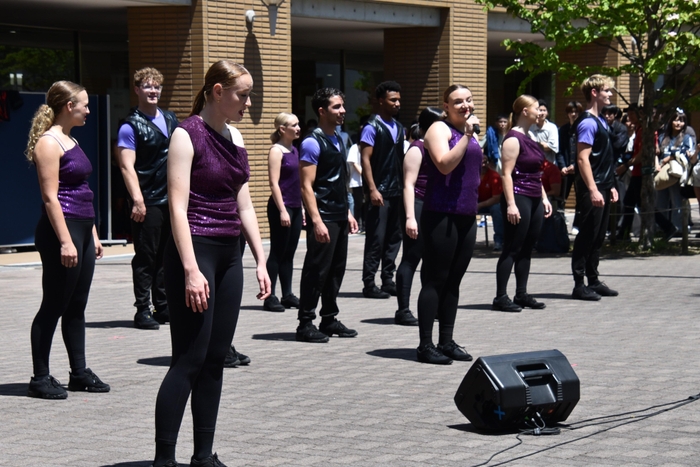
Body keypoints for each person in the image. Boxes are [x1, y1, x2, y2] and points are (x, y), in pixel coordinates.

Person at [153, 60, 270, 467]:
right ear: (217, 92)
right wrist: (189, 268)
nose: (248, 102)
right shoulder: (187, 135)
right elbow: (178, 209)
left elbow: (244, 203)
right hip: (195, 250)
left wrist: (260, 258)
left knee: (216, 358)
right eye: (243, 94)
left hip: (228, 254)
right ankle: (164, 459)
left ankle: (203, 456)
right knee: (189, 358)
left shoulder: (235, 135)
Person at [25, 80, 110, 399]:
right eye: (84, 104)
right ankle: (40, 377)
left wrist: (93, 235)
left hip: (81, 229)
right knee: (54, 304)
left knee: (77, 304)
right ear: (68, 106)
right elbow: (50, 198)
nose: (89, 110)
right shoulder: (49, 143)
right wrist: (65, 241)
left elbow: (81, 192)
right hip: (61, 231)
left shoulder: (69, 139)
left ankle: (79, 372)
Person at [416, 84, 482, 365]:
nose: (465, 106)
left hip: (466, 215)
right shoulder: (439, 130)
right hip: (441, 213)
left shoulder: (471, 134)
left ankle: (446, 340)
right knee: (435, 279)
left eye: (468, 100)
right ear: (445, 106)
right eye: (458, 102)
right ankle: (425, 344)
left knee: (454, 281)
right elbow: (444, 164)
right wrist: (467, 136)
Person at [117, 67, 179, 330]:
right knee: (146, 256)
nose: (153, 91)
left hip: (171, 199)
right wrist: (138, 200)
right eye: (147, 86)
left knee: (167, 255)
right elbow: (126, 167)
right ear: (137, 90)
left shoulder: (171, 118)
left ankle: (162, 306)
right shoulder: (130, 126)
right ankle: (143, 309)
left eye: (157, 86)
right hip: (147, 200)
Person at [296, 87, 359, 343]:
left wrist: (348, 212)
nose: (342, 110)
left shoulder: (339, 138)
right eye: (336, 107)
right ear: (322, 111)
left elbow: (337, 181)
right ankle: (305, 323)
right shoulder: (313, 141)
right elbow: (306, 186)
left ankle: (329, 319)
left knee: (336, 270)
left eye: (342, 105)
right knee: (317, 269)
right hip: (323, 216)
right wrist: (317, 220)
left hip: (339, 214)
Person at [492, 95, 552, 313]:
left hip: (535, 196)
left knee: (527, 248)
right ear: (525, 111)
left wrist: (544, 198)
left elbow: (536, 173)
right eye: (537, 108)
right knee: (512, 248)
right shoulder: (513, 140)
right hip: (518, 196)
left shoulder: (530, 138)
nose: (541, 112)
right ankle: (500, 296)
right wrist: (511, 204)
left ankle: (522, 293)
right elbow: (506, 174)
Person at [570, 74, 619, 301]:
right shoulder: (588, 122)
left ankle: (594, 279)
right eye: (607, 90)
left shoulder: (600, 120)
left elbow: (605, 158)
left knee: (599, 235)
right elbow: (582, 159)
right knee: (588, 234)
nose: (610, 94)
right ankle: (579, 284)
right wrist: (592, 188)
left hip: (604, 185)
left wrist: (611, 186)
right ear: (594, 93)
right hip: (593, 187)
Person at [395, 107, 442, 327]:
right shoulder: (417, 149)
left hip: (435, 206)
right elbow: (408, 185)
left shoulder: (437, 147)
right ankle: (403, 309)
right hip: (419, 205)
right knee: (411, 257)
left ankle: (430, 306)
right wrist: (410, 217)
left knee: (433, 259)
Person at [360, 81, 405, 299]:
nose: (397, 103)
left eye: (398, 99)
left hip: (397, 190)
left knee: (394, 237)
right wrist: (372, 189)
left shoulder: (399, 127)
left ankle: (388, 279)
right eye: (392, 100)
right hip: (379, 191)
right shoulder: (371, 127)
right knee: (376, 239)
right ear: (381, 101)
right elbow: (365, 160)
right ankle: (369, 283)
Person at [263, 112, 302, 312]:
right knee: (277, 252)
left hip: (295, 206)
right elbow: (274, 183)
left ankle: (288, 294)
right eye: (294, 125)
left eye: (298, 124)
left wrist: (300, 208)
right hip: (282, 206)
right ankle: (269, 296)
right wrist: (282, 210)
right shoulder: (276, 151)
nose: (298, 128)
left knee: (289, 252)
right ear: (282, 129)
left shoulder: (294, 150)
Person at [656, 109, 693, 234]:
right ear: (671, 121)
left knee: (677, 200)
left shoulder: (687, 138)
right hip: (661, 172)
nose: (678, 123)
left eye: (681, 121)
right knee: (660, 201)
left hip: (676, 173)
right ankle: (663, 227)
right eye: (676, 120)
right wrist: (658, 163)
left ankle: (679, 228)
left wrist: (670, 157)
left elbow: (687, 155)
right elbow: (657, 153)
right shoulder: (663, 137)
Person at [477, 154, 505, 251]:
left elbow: (497, 198)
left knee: (497, 208)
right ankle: (467, 240)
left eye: (485, 162)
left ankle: (499, 240)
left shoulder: (494, 176)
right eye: (481, 162)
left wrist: (480, 205)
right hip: (476, 202)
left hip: (491, 203)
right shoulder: (471, 175)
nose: (483, 165)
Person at [346, 116, 368, 233]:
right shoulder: (354, 147)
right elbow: (354, 163)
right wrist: (364, 174)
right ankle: (358, 225)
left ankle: (365, 225)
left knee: (366, 205)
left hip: (365, 181)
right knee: (358, 204)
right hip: (357, 182)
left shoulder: (368, 147)